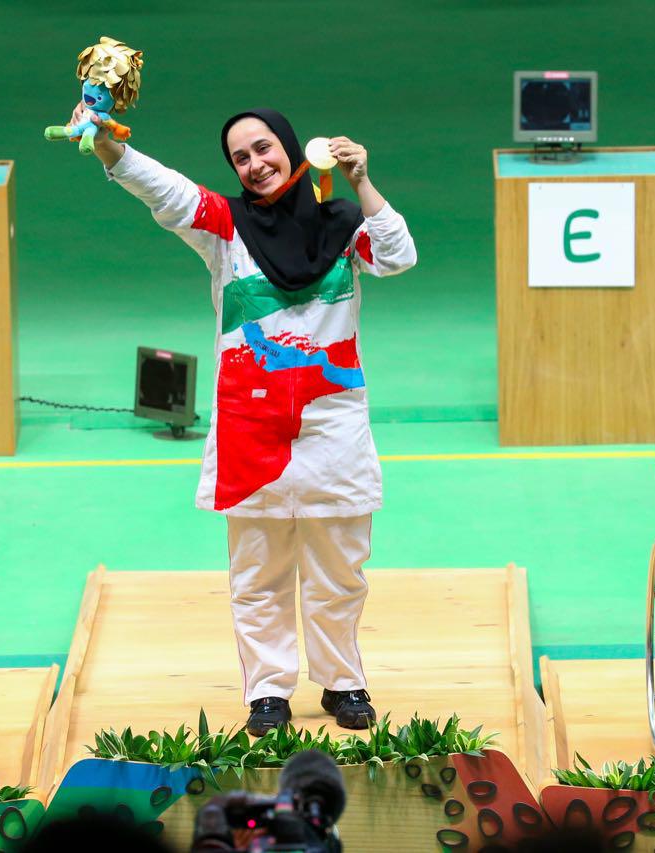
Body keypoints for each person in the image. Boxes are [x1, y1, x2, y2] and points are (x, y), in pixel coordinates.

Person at [86, 107, 417, 736]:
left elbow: (399, 255)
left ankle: (343, 682)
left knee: (340, 572)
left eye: (264, 149)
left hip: (332, 426)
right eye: (240, 157)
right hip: (249, 430)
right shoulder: (225, 227)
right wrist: (110, 152)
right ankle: (268, 691)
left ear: (291, 148)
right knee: (257, 577)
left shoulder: (346, 225)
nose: (255, 164)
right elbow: (167, 190)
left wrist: (362, 181)